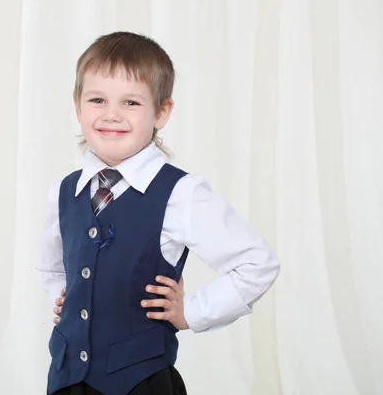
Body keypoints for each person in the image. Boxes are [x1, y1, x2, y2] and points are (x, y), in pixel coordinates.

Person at [37, 31, 280, 395]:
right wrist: (66, 295)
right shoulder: (64, 192)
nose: (111, 115)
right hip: (68, 380)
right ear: (77, 106)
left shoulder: (180, 194)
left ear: (162, 112)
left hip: (141, 383)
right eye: (97, 100)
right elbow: (52, 265)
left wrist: (192, 313)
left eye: (131, 103)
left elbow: (258, 263)